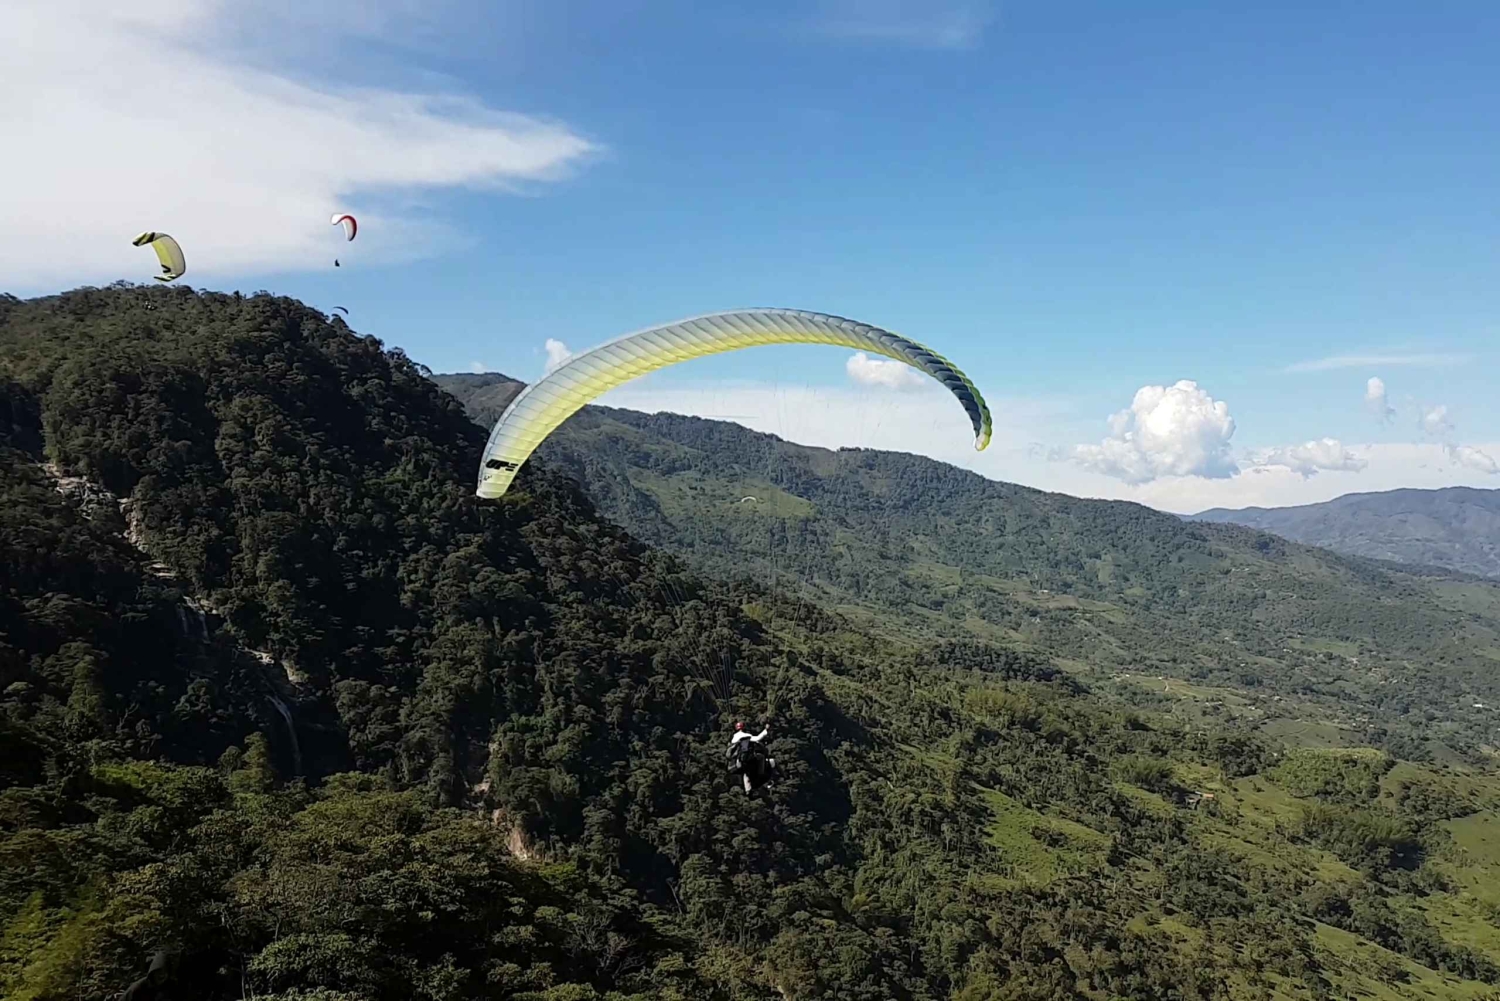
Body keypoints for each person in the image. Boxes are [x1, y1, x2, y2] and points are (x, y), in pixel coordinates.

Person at [727, 721, 777, 794]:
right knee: (761, 757)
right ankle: (761, 773)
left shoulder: (734, 737)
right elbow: (757, 738)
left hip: (738, 760)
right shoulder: (746, 735)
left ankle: (748, 789)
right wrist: (766, 730)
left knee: (746, 772)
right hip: (747, 757)